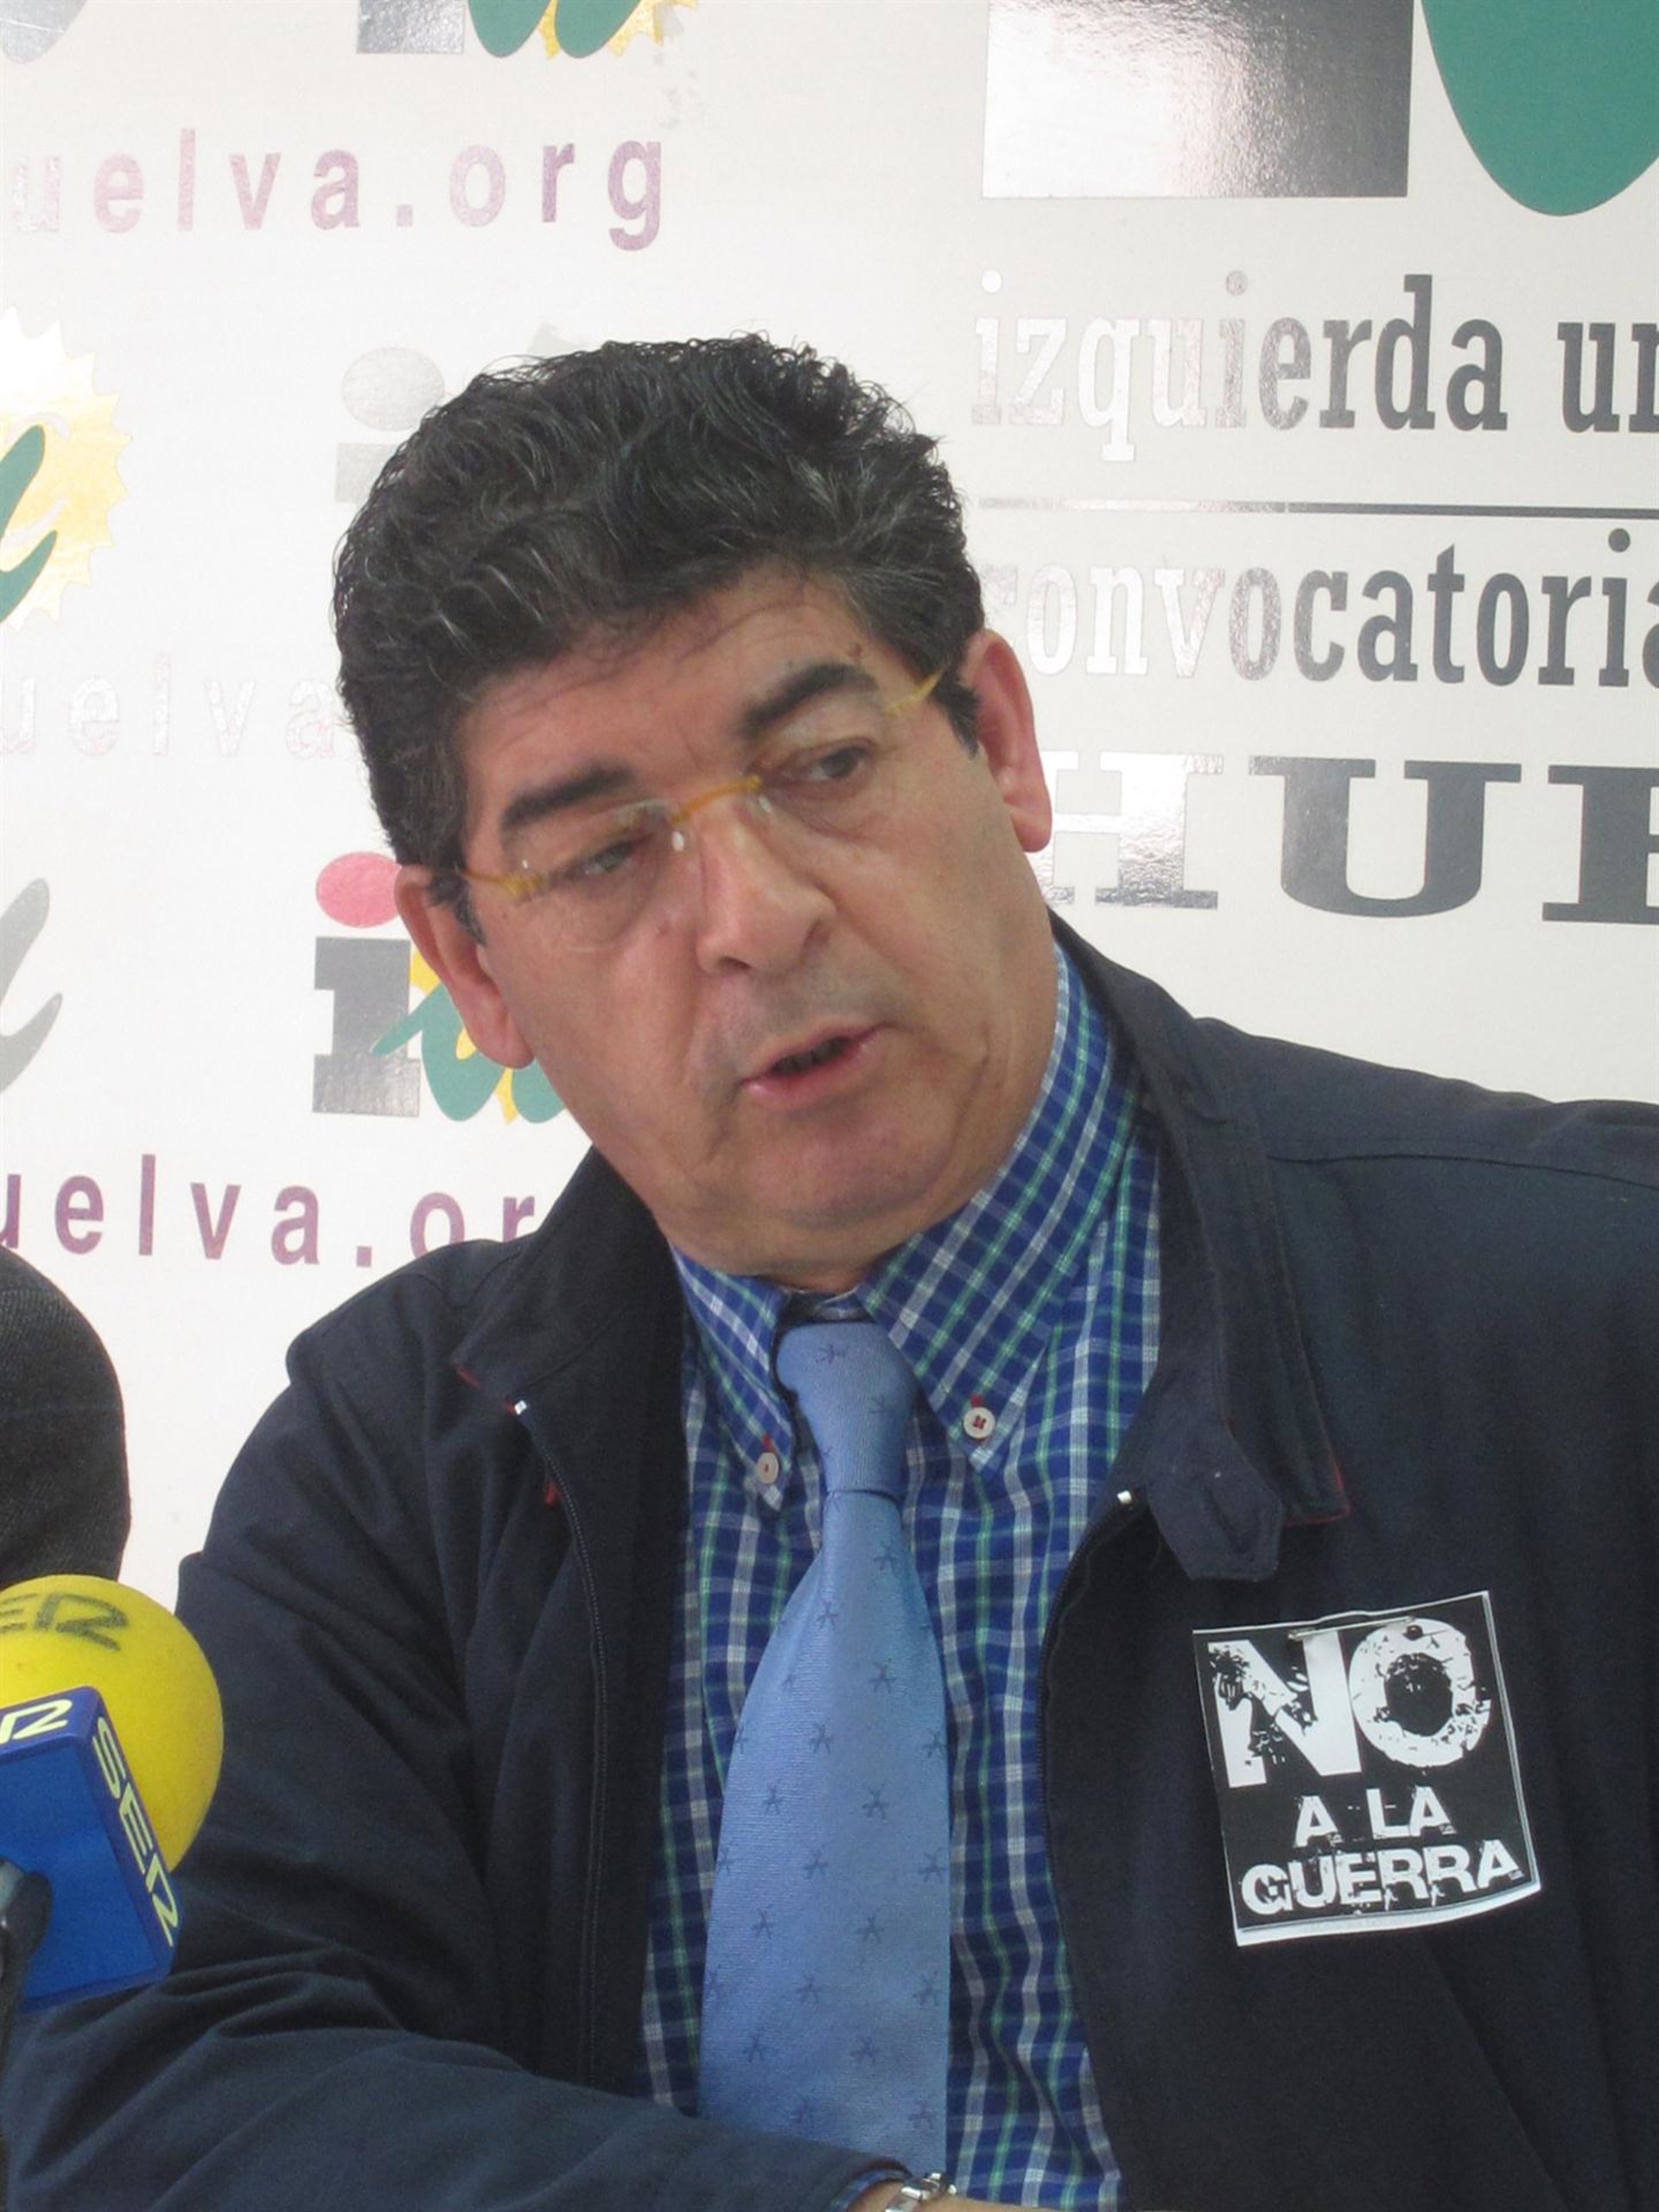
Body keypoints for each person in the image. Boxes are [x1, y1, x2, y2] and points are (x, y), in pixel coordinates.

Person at [5, 338, 1656, 2212]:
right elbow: (185, 2082)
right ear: (468, 970)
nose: (758, 917)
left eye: (825, 767)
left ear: (1000, 744)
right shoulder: (398, 1455)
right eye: (605, 855)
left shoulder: (1584, 1318)